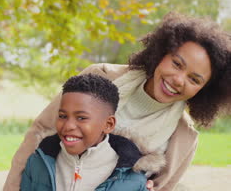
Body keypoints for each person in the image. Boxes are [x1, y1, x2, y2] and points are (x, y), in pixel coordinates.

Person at [6, 13, 230, 191]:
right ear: (162, 53)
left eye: (194, 79)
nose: (178, 80)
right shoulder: (99, 76)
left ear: (204, 90)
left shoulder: (185, 138)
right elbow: (39, 133)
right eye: (177, 64)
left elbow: (163, 188)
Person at [21, 74, 164, 191]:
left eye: (81, 118)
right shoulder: (38, 163)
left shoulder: (133, 180)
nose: (68, 126)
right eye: (63, 116)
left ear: (108, 124)